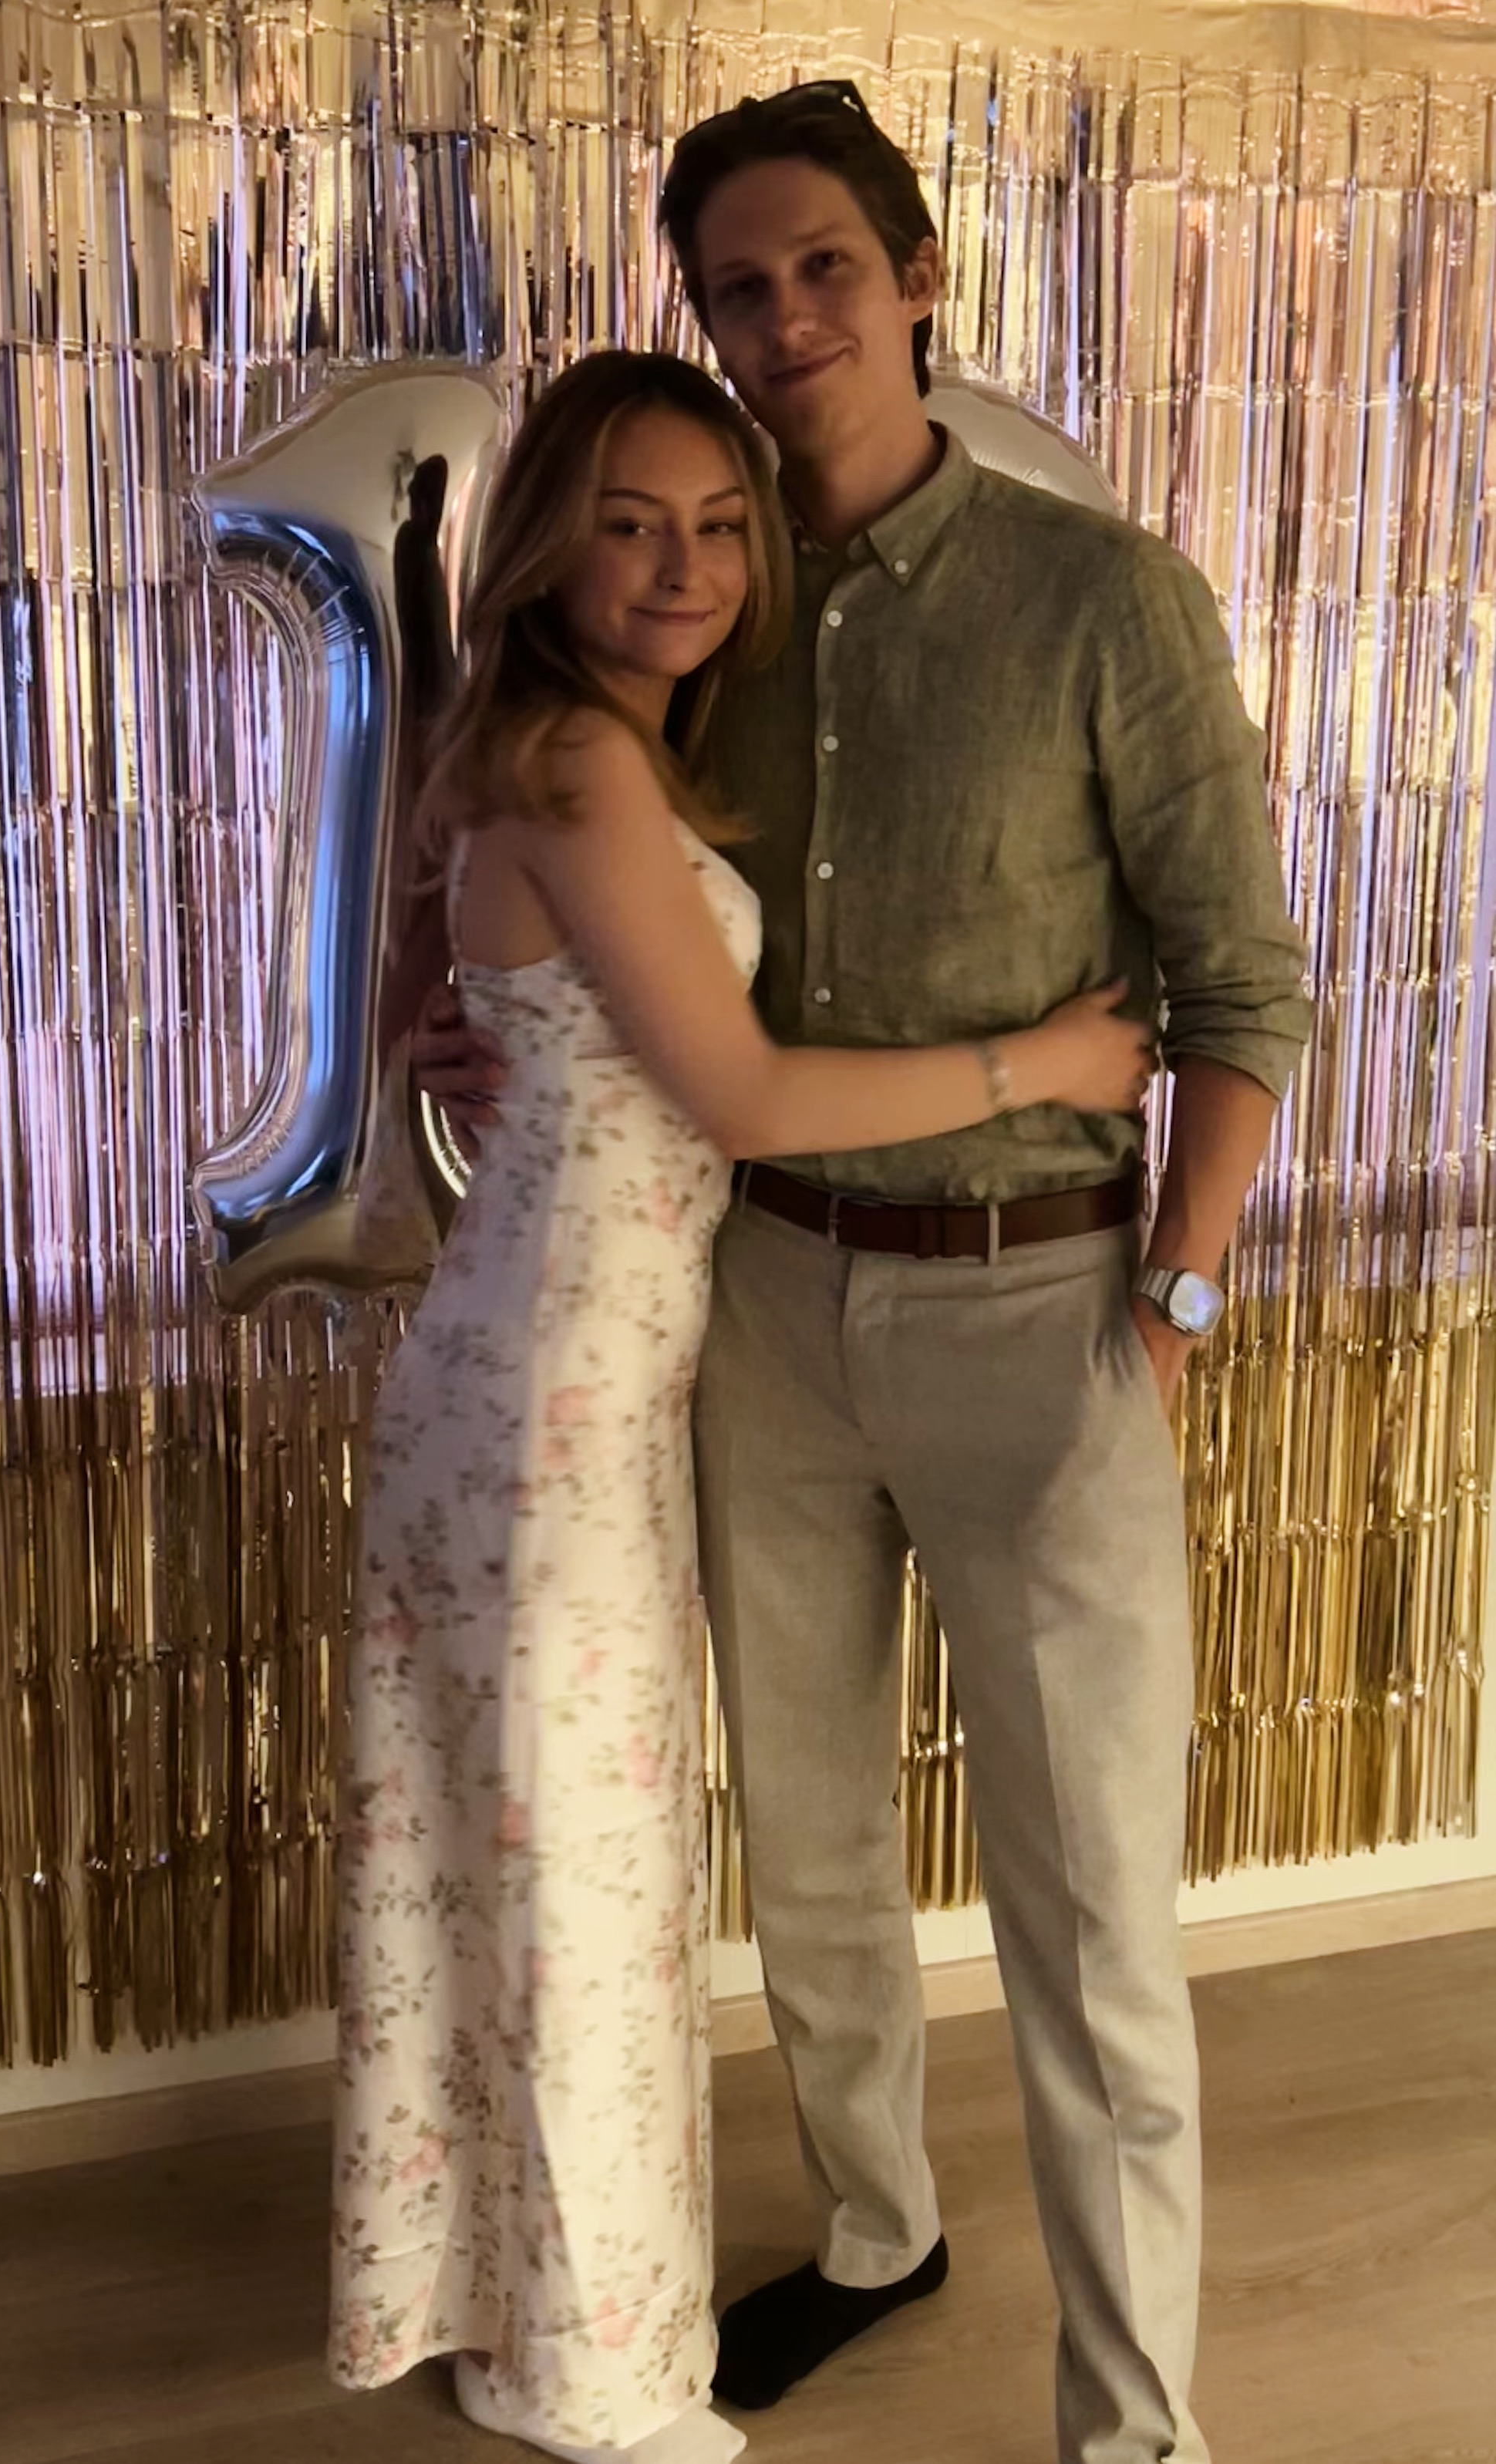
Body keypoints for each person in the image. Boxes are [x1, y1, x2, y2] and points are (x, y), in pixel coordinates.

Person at [419, 82, 1314, 2464]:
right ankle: (872, 2228)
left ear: (917, 276)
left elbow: (1243, 993)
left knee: (1092, 1916)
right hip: (763, 1310)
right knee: (806, 1850)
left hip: (1042, 1310)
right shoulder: (697, 601)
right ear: (702, 319)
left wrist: (1175, 1300)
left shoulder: (1100, 599)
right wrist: (468, 998)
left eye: (824, 263)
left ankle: (1132, 2428)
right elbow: (560, 866)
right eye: (738, 284)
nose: (785, 314)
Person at [327, 344, 1156, 2464]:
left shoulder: (577, 744)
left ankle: (506, 2306)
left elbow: (465, 995)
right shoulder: (575, 762)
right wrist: (1046, 1065)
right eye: (628, 522)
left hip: (553, 1386)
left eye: (717, 524)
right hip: (550, 1409)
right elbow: (749, 1096)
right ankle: (593, 2371)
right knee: (578, 1883)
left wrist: (445, 1023)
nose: (682, 565)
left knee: (522, 1867)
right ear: (547, 543)